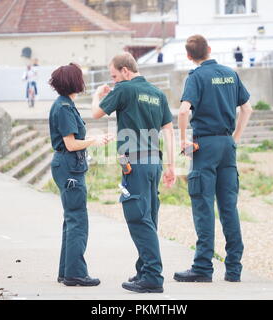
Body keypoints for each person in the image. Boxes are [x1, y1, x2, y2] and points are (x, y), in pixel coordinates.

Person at [91, 52, 176, 293]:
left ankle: (152, 276)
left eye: (115, 75)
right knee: (148, 217)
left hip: (135, 164)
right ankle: (143, 270)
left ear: (126, 71)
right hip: (154, 163)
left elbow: (96, 113)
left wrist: (98, 95)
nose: (114, 80)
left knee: (138, 218)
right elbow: (169, 132)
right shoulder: (158, 94)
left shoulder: (125, 89)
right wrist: (171, 166)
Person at [175, 35, 253, 283]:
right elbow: (247, 108)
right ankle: (234, 269)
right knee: (229, 207)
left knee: (203, 206)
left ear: (189, 56)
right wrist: (235, 138)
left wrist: (183, 141)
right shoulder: (231, 73)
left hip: (204, 145)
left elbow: (184, 110)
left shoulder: (196, 77)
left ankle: (202, 268)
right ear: (209, 49)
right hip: (227, 144)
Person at [48, 63, 113, 287]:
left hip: (66, 166)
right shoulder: (64, 108)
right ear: (74, 82)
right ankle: (75, 274)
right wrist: (95, 140)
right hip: (69, 167)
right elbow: (71, 144)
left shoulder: (65, 104)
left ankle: (66, 271)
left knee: (71, 219)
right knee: (77, 220)